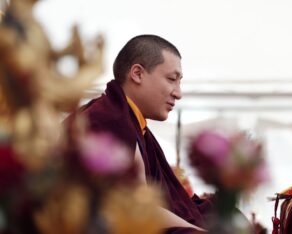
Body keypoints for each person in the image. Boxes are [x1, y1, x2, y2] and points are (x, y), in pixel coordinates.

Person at [65, 35, 211, 233]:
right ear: (137, 73)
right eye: (171, 79)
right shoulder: (108, 121)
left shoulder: (132, 121)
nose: (178, 93)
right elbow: (138, 212)